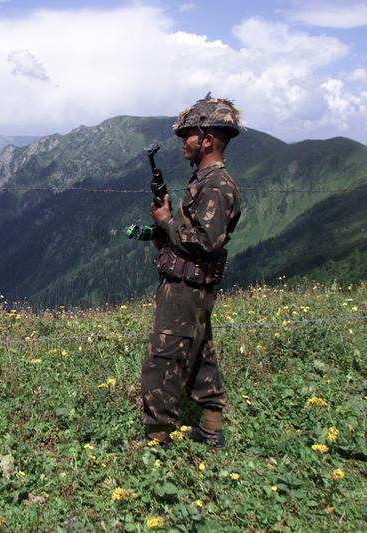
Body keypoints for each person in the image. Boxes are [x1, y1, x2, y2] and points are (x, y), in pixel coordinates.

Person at [141, 94, 242, 449]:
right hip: (193, 284)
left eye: (188, 135)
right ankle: (211, 425)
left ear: (208, 140)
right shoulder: (207, 180)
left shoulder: (215, 185)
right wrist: (163, 229)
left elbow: (204, 241)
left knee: (163, 357)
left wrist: (166, 221)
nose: (184, 142)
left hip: (186, 286)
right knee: (199, 351)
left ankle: (157, 436)